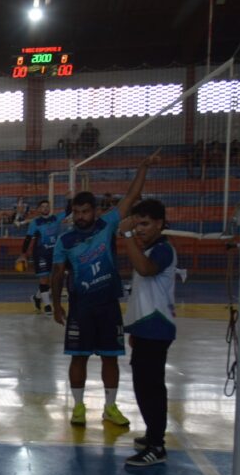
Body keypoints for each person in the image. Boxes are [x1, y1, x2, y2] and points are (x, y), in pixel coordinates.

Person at [51, 149, 160, 427]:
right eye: (76, 212)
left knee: (110, 358)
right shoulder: (66, 240)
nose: (80, 216)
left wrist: (143, 167)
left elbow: (132, 197)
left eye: (85, 212)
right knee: (78, 357)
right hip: (80, 307)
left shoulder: (107, 225)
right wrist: (56, 302)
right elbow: (57, 272)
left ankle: (110, 408)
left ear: (94, 211)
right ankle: (77, 407)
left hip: (108, 304)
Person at [118, 198, 179, 467]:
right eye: (137, 223)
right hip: (147, 328)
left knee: (151, 387)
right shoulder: (151, 248)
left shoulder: (163, 250)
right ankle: (153, 435)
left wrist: (127, 234)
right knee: (144, 385)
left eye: (144, 223)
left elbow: (145, 269)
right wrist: (136, 328)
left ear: (159, 224)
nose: (140, 229)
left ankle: (157, 445)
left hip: (157, 327)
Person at [18, 198, 70, 315]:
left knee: (51, 281)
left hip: (55, 253)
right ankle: (47, 306)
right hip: (40, 253)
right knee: (44, 278)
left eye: (47, 206)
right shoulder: (35, 222)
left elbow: (69, 210)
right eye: (43, 206)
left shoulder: (56, 218)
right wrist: (23, 254)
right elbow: (28, 238)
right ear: (39, 209)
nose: (45, 208)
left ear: (50, 208)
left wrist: (69, 198)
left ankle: (37, 298)